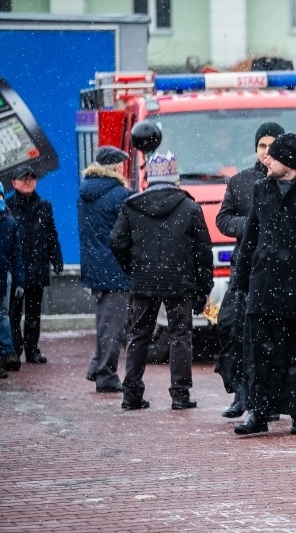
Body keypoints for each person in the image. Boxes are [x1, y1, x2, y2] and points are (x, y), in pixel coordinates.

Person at [232, 133, 296, 436]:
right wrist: (241, 281)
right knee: (259, 352)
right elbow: (250, 236)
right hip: (263, 283)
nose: (266, 159)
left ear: (288, 160)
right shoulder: (262, 188)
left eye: (272, 155)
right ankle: (257, 412)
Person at [110, 152, 213, 411]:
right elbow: (203, 251)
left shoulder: (132, 205)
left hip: (144, 280)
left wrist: (132, 267)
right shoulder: (189, 206)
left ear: (149, 178)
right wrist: (203, 286)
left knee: (139, 335)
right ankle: (180, 395)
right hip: (179, 280)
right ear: (175, 177)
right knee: (180, 336)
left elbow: (116, 241)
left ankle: (131, 393)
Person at [215, 122, 284, 418]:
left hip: (279, 271)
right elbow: (223, 219)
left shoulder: (291, 182)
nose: (267, 152)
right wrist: (248, 226)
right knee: (232, 329)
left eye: (273, 145)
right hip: (244, 269)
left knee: (272, 339)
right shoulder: (241, 181)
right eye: (262, 146)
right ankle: (241, 395)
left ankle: (269, 401)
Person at [78, 146, 133, 393]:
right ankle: (106, 375)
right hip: (115, 266)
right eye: (121, 164)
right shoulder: (119, 194)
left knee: (106, 319)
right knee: (114, 324)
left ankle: (96, 365)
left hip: (95, 264)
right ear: (116, 167)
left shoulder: (86, 191)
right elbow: (128, 232)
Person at [6, 166, 63, 365]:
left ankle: (32, 350)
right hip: (16, 269)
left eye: (31, 178)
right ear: (14, 183)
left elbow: (51, 235)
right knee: (13, 312)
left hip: (38, 266)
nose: (28, 182)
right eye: (23, 179)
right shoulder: (7, 206)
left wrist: (57, 258)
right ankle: (14, 350)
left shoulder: (44, 205)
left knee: (33, 312)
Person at [0, 177, 25, 379]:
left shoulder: (9, 223)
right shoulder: (9, 222)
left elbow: (15, 255)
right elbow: (16, 256)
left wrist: (19, 280)